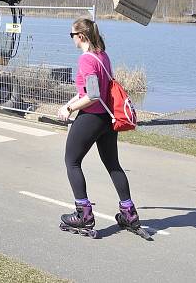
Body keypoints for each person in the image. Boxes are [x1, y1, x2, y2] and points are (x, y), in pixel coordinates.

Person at [56, 17, 142, 234]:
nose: (71, 39)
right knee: (113, 164)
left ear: (81, 36)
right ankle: (129, 213)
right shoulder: (102, 55)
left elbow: (93, 96)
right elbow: (92, 90)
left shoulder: (86, 59)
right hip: (108, 119)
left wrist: (70, 110)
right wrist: (69, 103)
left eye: (72, 35)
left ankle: (83, 214)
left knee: (72, 162)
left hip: (91, 117)